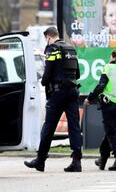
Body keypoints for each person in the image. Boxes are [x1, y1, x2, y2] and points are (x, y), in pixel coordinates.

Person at [24, 26, 82, 172]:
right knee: (74, 127)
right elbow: (78, 74)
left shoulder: (52, 49)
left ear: (48, 37)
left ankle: (40, 160)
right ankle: (76, 161)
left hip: (57, 93)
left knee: (49, 127)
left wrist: (43, 82)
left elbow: (48, 72)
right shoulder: (71, 49)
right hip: (73, 91)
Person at [85, 49, 116, 170]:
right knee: (111, 132)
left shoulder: (108, 68)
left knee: (112, 133)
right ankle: (103, 158)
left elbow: (101, 85)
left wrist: (90, 98)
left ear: (113, 57)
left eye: (110, 56)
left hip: (110, 106)